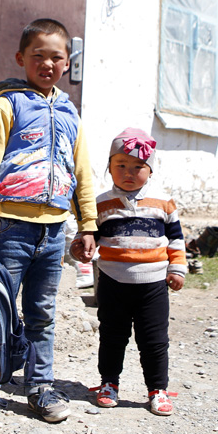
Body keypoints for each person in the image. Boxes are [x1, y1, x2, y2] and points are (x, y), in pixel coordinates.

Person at [0, 18, 97, 430]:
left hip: (54, 231)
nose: (47, 63)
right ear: (21, 58)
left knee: (42, 314)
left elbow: (82, 172)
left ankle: (39, 388)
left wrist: (88, 224)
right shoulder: (8, 105)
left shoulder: (72, 114)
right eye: (37, 55)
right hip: (10, 229)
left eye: (56, 56)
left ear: (67, 61)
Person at [71, 127, 186, 416]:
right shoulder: (100, 204)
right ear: (109, 168)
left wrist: (177, 269)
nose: (129, 172)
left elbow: (175, 239)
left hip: (153, 285)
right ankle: (109, 383)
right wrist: (78, 247)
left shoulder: (163, 203)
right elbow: (87, 236)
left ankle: (157, 389)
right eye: (120, 165)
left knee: (154, 340)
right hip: (112, 281)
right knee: (112, 336)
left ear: (150, 170)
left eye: (138, 167)